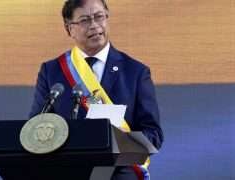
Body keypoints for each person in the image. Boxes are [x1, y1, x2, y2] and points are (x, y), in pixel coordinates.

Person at [29, 0, 164, 179]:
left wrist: (116, 145)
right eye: (84, 20)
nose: (94, 25)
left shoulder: (135, 72)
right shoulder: (52, 71)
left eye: (99, 17)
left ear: (107, 19)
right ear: (69, 28)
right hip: (68, 171)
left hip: (119, 171)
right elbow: (37, 127)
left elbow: (153, 134)